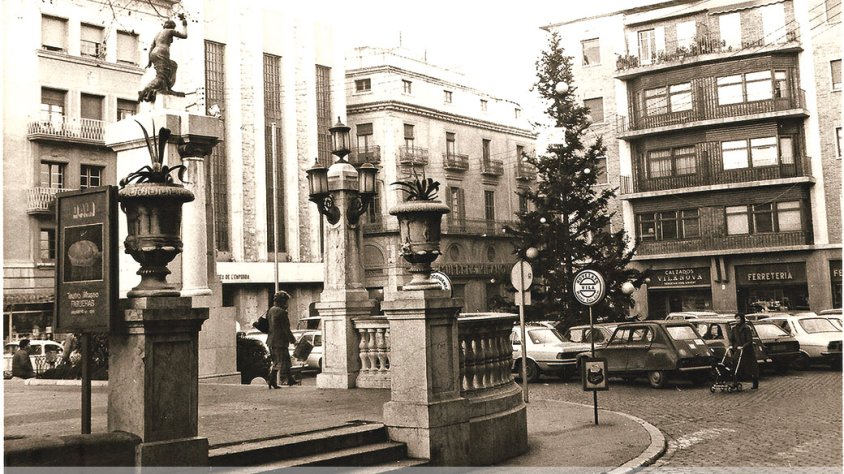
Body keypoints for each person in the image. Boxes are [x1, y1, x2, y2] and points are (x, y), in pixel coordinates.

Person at [138, 14, 188, 102]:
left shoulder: (157, 34)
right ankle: (146, 89)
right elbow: (184, 35)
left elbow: (151, 47)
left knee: (173, 65)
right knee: (161, 76)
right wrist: (184, 25)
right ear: (172, 26)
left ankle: (167, 87)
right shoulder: (170, 31)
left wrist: (149, 61)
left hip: (154, 54)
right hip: (162, 53)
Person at [267, 290, 298, 388]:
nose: (287, 303)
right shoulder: (282, 312)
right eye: (286, 301)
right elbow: (286, 329)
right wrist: (293, 340)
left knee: (285, 359)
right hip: (279, 341)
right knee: (279, 361)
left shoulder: (271, 310)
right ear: (282, 301)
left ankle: (290, 379)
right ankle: (272, 380)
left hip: (271, 340)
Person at [729, 313, 759, 389]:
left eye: (739, 318)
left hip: (747, 350)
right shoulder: (734, 328)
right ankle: (735, 382)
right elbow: (732, 339)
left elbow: (749, 340)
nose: (737, 320)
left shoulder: (746, 328)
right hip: (738, 349)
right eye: (736, 318)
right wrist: (732, 346)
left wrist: (743, 346)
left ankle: (755, 382)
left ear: (742, 319)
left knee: (751, 367)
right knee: (735, 365)